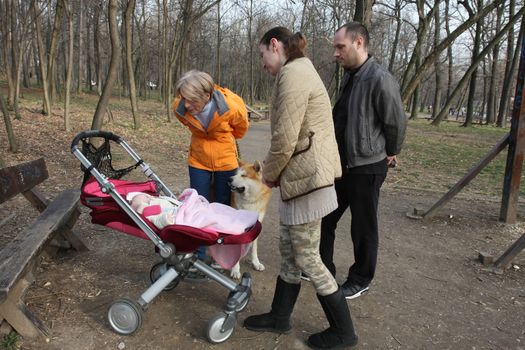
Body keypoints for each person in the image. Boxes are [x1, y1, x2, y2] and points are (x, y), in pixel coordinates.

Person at [242, 27, 358, 349]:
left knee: (308, 258)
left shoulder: (294, 74)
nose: (262, 63)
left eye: (262, 54)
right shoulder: (295, 71)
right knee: (289, 252)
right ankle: (280, 317)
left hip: (307, 181)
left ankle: (344, 332)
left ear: (275, 45)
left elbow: (284, 140)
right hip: (301, 179)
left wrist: (267, 175)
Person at [320, 22, 407, 300]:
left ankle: (361, 278)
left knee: (363, 226)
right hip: (342, 165)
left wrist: (391, 150)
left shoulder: (380, 78)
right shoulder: (350, 76)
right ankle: (322, 267)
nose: (336, 53)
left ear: (359, 43)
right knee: (325, 217)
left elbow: (396, 121)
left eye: (340, 47)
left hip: (367, 167)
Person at [172, 70, 249, 264]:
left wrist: (223, 138)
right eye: (183, 98)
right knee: (197, 204)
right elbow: (184, 118)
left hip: (225, 158)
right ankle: (197, 252)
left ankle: (219, 252)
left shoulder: (231, 106)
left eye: (191, 100)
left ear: (207, 96)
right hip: (198, 159)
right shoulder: (180, 108)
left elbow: (241, 128)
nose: (186, 104)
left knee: (222, 204)